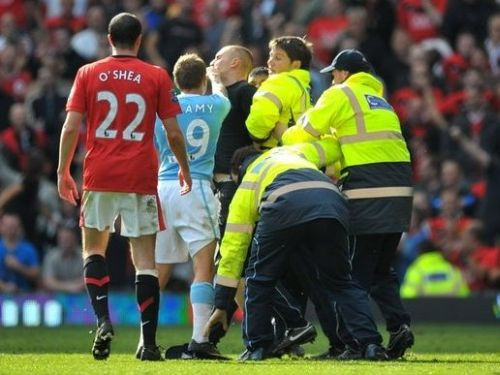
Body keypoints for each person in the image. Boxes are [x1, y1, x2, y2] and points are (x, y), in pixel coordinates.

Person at [57, 12, 191, 361]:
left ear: (108, 38)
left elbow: (71, 127)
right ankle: (147, 343)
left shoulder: (88, 73)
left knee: (94, 251)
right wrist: (184, 168)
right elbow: (173, 132)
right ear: (140, 39)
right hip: (140, 176)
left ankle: (102, 320)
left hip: (99, 174)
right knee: (145, 259)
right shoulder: (156, 75)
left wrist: (62, 171)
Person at [282, 49, 414, 359]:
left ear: (343, 73)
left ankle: (359, 342)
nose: (330, 77)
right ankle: (398, 327)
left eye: (333, 73)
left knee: (349, 275)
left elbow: (305, 130)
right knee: (380, 271)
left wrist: (287, 134)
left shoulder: (340, 93)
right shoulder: (381, 101)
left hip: (368, 192)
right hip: (400, 192)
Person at [204, 140, 386, 361]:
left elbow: (233, 251)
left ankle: (258, 347)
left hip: (283, 201)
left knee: (260, 278)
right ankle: (370, 344)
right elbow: (331, 147)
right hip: (331, 200)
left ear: (237, 171)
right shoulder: (295, 151)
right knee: (341, 282)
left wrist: (222, 304)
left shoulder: (248, 182)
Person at [154, 53, 230, 359]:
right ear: (202, 80)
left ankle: (145, 339)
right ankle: (199, 340)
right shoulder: (216, 105)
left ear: (175, 80)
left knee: (156, 270)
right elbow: (222, 94)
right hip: (195, 186)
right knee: (202, 267)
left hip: (162, 187)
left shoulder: (163, 110)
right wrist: (216, 78)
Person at [210, 45, 255, 237]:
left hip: (233, 180)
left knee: (229, 238)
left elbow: (258, 134)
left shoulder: (246, 92)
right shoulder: (215, 94)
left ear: (234, 63)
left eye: (218, 57)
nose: (212, 62)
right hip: (215, 182)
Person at [246, 36, 312, 150]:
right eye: (270, 55)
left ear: (295, 65)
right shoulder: (303, 86)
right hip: (300, 152)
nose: (270, 62)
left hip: (275, 155)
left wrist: (257, 137)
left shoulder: (280, 81)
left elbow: (263, 114)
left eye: (278, 58)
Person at [0, 213, 40, 293]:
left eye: (13, 226)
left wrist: (18, 267)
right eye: (8, 226)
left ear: (19, 227)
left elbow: (36, 274)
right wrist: (3, 287)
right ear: (1, 227)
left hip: (25, 296)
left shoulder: (28, 249)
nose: (11, 230)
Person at [42, 223, 84, 293]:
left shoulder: (84, 256)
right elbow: (48, 282)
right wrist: (70, 287)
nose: (64, 241)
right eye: (61, 238)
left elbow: (89, 280)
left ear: (75, 239)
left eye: (67, 238)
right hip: (57, 297)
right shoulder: (51, 256)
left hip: (82, 296)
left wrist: (59, 283)